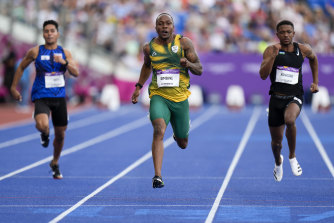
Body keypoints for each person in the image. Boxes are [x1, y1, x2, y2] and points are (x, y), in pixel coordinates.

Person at [131, 13, 203, 188]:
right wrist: (139, 86)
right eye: (160, 24)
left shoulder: (184, 43)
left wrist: (189, 65)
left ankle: (178, 132)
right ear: (155, 28)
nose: (164, 27)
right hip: (158, 95)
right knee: (158, 129)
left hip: (179, 98)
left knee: (183, 143)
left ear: (173, 27)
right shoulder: (149, 48)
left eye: (168, 24)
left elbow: (199, 69)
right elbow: (147, 65)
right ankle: (158, 176)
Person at [11, 20, 79, 179]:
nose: (49, 33)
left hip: (59, 98)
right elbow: (21, 67)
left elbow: (75, 73)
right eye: (46, 31)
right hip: (41, 95)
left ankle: (55, 162)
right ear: (43, 34)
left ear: (57, 34)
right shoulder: (35, 52)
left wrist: (65, 62)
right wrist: (14, 88)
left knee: (61, 135)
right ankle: (44, 133)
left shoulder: (65, 53)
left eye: (52, 31)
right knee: (42, 125)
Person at [259, 20, 319, 182]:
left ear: (293, 33)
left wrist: (315, 81)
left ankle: (292, 156)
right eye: (282, 32)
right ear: (277, 35)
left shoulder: (303, 49)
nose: (286, 35)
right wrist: (272, 57)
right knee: (276, 143)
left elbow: (314, 59)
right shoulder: (271, 50)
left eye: (289, 32)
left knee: (290, 120)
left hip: (295, 96)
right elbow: (263, 75)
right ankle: (279, 161)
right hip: (276, 98)